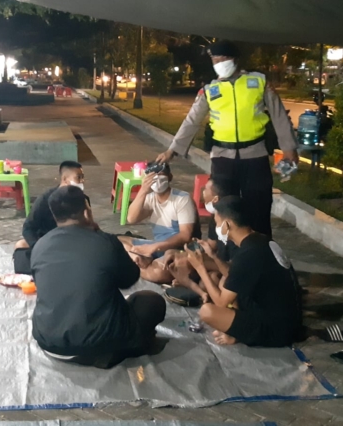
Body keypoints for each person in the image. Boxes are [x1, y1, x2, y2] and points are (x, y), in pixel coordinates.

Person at [156, 40, 298, 239]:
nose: (219, 62)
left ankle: (261, 254)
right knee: (221, 207)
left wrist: (289, 148)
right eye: (215, 59)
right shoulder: (210, 90)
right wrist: (172, 149)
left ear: (236, 60)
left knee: (259, 207)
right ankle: (221, 256)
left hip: (255, 156)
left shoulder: (258, 82)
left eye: (224, 58)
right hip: (222, 158)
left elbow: (279, 115)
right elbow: (192, 121)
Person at [31, 186, 166, 369]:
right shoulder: (105, 242)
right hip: (96, 345)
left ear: (55, 216)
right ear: (87, 212)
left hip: (48, 342)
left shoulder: (40, 245)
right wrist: (99, 235)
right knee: (152, 302)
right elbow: (129, 279)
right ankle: (123, 348)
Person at [189, 196, 302, 347]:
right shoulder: (259, 240)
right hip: (284, 317)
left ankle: (237, 334)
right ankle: (236, 328)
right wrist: (213, 256)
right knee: (225, 282)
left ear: (227, 224)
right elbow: (234, 275)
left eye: (217, 224)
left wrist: (200, 267)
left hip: (276, 331)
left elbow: (222, 303)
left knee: (207, 312)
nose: (216, 229)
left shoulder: (249, 254)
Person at [13, 161, 89, 273]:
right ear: (65, 179)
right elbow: (28, 228)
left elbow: (88, 227)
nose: (82, 181)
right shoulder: (45, 199)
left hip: (71, 243)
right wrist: (38, 248)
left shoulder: (83, 199)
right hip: (46, 243)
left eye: (83, 177)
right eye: (79, 177)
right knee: (20, 245)